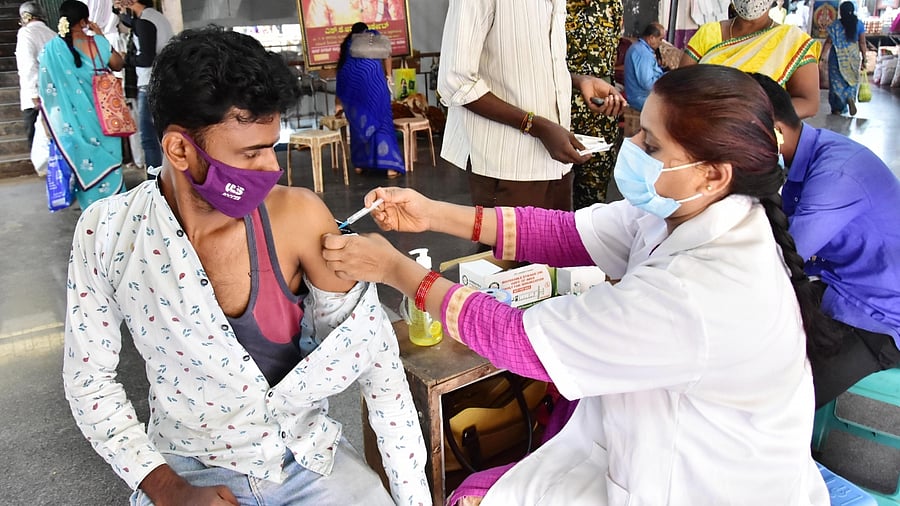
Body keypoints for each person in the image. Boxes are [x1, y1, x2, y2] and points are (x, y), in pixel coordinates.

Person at [321, 64, 836, 504]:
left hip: (709, 483)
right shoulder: (689, 212)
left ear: (712, 175)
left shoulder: (698, 292)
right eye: (639, 130)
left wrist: (396, 271)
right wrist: (433, 213)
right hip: (657, 437)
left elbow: (517, 340)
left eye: (650, 144)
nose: (630, 147)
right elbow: (564, 233)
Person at [62, 26, 429, 506]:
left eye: (271, 147)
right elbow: (90, 382)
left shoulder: (296, 219)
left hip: (302, 461)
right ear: (178, 150)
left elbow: (378, 368)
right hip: (182, 467)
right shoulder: (109, 233)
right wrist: (167, 489)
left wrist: (412, 498)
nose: (268, 170)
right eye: (249, 153)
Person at [752, 73, 900, 409]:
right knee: (750, 347)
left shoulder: (836, 174)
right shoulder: (807, 159)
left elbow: (782, 255)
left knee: (778, 404)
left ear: (774, 130)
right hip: (840, 288)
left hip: (878, 315)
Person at [438, 0, 625, 212]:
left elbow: (531, 64)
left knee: (556, 243)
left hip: (555, 165)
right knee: (510, 245)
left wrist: (579, 81)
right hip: (508, 167)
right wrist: (537, 127)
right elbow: (456, 81)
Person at [38, 0, 125, 210]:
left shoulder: (50, 50)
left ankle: (92, 218)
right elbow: (118, 64)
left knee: (85, 168)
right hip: (104, 121)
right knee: (110, 165)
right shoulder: (97, 43)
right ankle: (116, 213)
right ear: (85, 20)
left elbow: (45, 89)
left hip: (71, 125)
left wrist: (46, 122)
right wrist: (101, 35)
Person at [680, 0, 821, 118]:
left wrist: (755, 118)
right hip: (702, 129)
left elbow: (808, 102)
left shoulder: (792, 40)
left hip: (755, 136)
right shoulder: (707, 33)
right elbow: (680, 89)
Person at [567, 0, 624, 208]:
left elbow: (611, 57)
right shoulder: (553, 5)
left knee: (592, 202)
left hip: (601, 117)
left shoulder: (612, 4)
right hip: (558, 113)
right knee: (550, 198)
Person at [335, 22, 405, 179]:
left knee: (360, 124)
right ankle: (390, 167)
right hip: (374, 85)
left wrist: (338, 102)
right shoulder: (373, 35)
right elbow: (387, 54)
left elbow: (340, 71)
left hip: (353, 88)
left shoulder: (348, 43)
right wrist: (389, 76)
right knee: (382, 123)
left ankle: (360, 164)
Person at [115, 0, 174, 174]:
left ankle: (154, 184)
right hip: (162, 82)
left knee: (149, 140)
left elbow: (146, 59)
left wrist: (126, 58)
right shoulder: (154, 18)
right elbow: (132, 24)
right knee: (163, 136)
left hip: (149, 85)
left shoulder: (144, 22)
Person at [15, 1, 55, 152]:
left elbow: (28, 64)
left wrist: (33, 92)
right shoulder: (52, 34)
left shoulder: (26, 33)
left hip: (35, 95)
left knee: (37, 140)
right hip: (53, 92)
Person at [822, 1, 866, 116]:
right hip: (853, 57)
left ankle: (837, 108)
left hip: (837, 57)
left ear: (841, 12)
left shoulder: (835, 25)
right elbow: (862, 43)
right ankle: (849, 97)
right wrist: (864, 58)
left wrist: (821, 58)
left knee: (836, 82)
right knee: (850, 81)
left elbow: (828, 42)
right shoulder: (859, 24)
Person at [624, 22, 667, 111]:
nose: (661, 43)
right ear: (651, 38)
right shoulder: (642, 53)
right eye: (660, 39)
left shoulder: (639, 48)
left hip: (640, 95)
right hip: (640, 98)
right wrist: (667, 81)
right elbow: (647, 84)